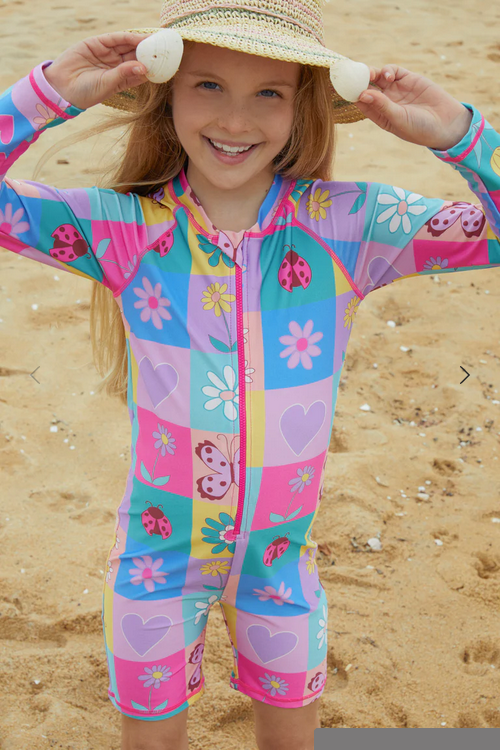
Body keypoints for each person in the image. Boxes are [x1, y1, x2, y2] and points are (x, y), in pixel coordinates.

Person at [1, 0, 499, 748]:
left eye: (268, 91)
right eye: (207, 84)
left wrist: (458, 133)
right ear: (166, 93)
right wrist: (44, 95)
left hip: (280, 571)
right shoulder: (123, 229)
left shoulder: (351, 227)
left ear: (302, 107)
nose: (235, 119)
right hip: (156, 566)